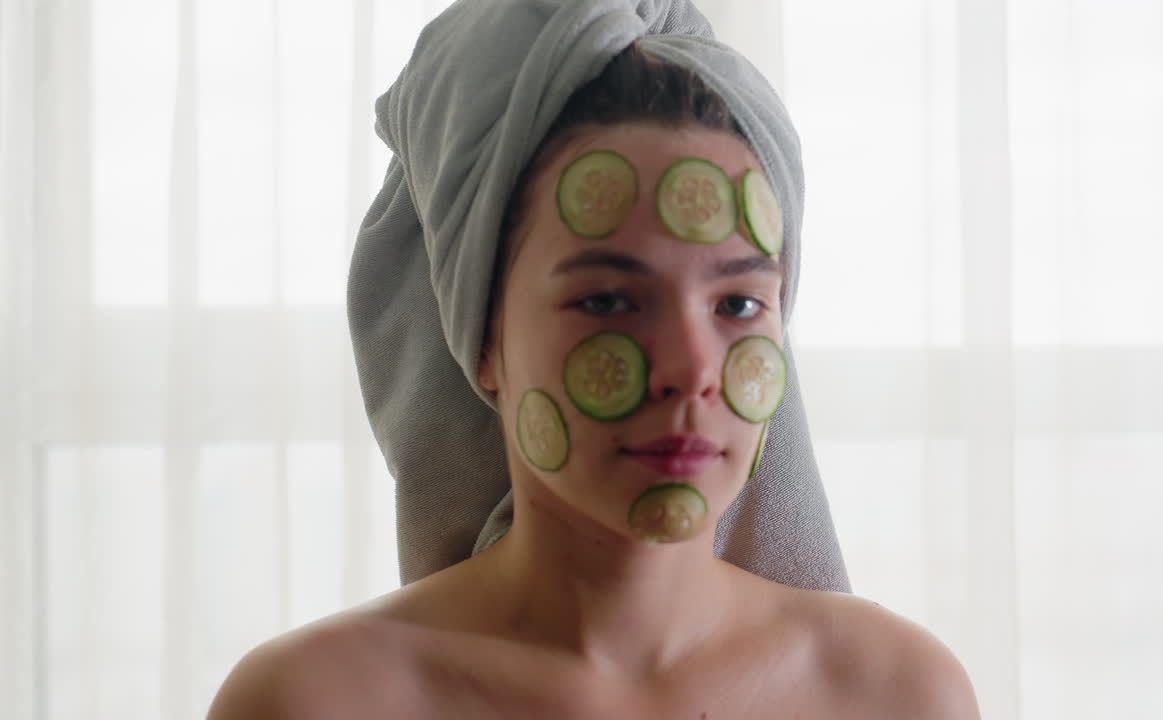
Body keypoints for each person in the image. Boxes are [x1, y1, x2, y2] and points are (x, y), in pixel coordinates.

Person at [209, 3, 980, 718]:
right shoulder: (316, 703)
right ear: (483, 342)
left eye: (738, 304)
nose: (690, 369)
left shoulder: (897, 694)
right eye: (609, 300)